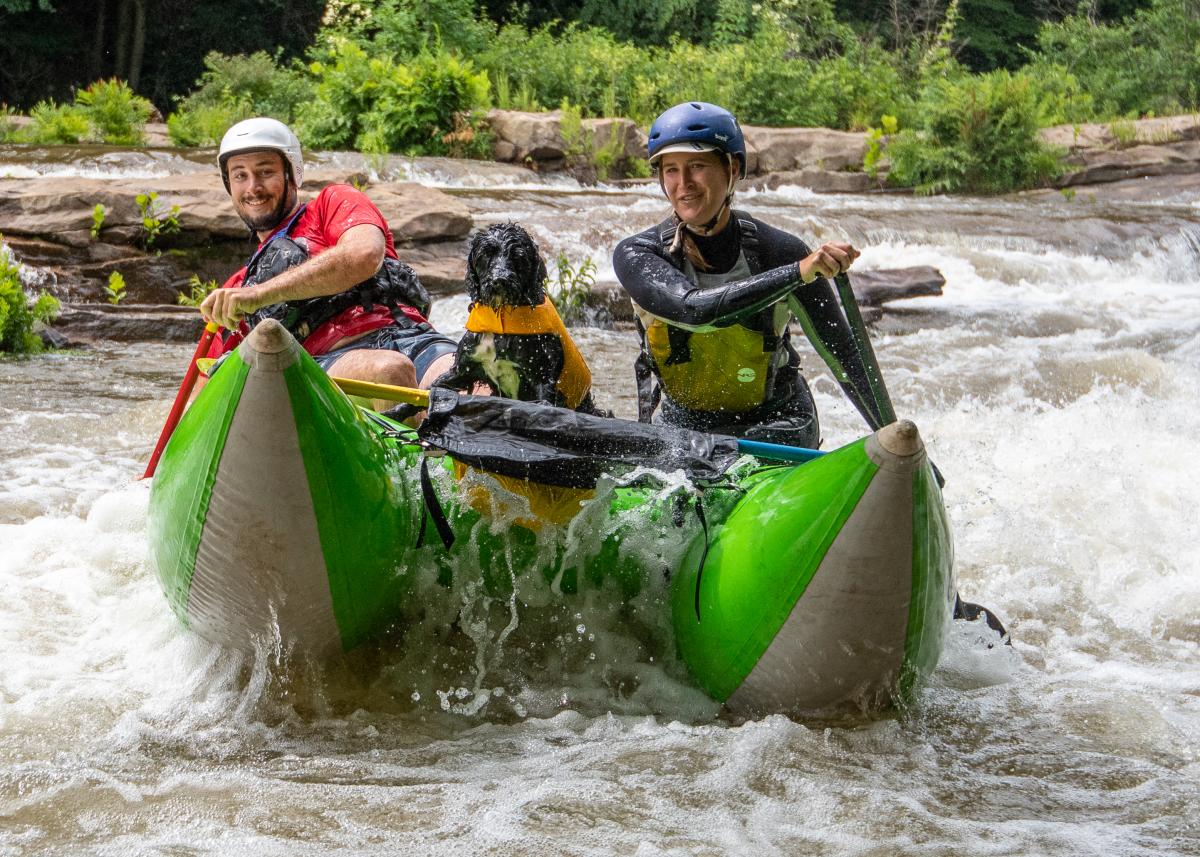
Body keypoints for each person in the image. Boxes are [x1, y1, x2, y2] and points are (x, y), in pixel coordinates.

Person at [612, 101, 869, 449]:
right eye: (670, 170)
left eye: (697, 166)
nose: (682, 183)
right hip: (683, 427)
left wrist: (895, 445)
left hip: (778, 424)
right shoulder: (638, 254)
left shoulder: (778, 251)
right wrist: (797, 274)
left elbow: (846, 358)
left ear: (731, 168)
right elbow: (695, 312)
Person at [198, 117, 458, 408]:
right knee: (389, 371)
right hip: (327, 365)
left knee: (473, 381)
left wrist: (260, 294)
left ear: (291, 174)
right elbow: (201, 397)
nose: (253, 187)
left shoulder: (334, 203)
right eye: (240, 176)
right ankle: (421, 447)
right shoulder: (237, 289)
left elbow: (364, 255)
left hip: (410, 336)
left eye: (265, 171)